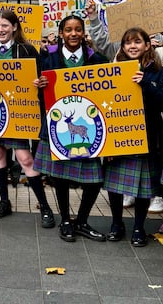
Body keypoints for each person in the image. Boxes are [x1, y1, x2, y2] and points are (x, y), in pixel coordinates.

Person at [0, 10, 55, 228]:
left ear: (14, 27)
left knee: (26, 160)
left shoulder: (27, 50)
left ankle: (45, 207)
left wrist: (40, 82)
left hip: (20, 114)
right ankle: (4, 201)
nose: (0, 30)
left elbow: (42, 76)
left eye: (5, 26)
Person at [34, 14, 109, 239]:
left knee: (94, 179)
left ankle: (82, 221)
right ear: (60, 34)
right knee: (61, 178)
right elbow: (40, 98)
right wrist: (40, 86)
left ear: (83, 33)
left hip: (90, 128)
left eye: (77, 29)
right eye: (68, 30)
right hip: (58, 128)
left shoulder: (98, 60)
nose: (73, 34)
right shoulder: (48, 61)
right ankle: (65, 220)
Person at [103, 27, 163, 246]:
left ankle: (139, 226)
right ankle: (116, 223)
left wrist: (146, 83)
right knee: (115, 184)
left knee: (142, 186)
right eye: (128, 42)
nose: (132, 46)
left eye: (137, 42)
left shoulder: (156, 70)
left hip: (147, 135)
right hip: (119, 134)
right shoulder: (114, 69)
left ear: (147, 45)